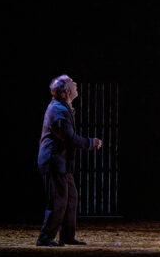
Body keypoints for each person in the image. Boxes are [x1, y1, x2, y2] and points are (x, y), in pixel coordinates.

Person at [36, 74, 102, 247]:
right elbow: (69, 138)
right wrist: (91, 142)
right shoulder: (58, 110)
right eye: (72, 82)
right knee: (58, 201)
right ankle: (45, 237)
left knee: (71, 199)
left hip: (62, 163)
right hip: (54, 161)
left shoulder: (62, 107)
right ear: (65, 92)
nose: (75, 83)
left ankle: (67, 236)